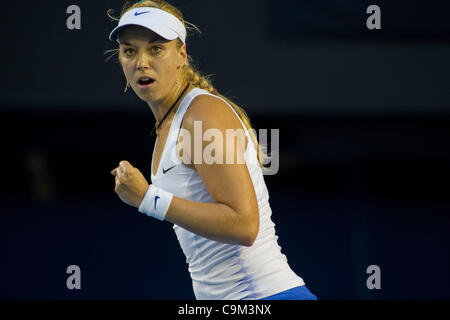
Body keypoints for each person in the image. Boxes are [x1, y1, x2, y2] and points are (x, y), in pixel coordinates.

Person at [108, 0, 317, 300]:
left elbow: (244, 225)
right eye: (130, 50)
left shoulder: (201, 114)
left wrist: (146, 198)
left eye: (156, 49)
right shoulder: (170, 124)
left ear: (181, 55)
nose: (141, 62)